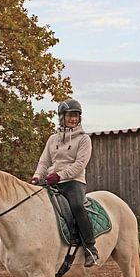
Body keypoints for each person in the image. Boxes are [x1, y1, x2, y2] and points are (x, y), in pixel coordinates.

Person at [30, 98, 99, 267]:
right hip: (52, 181)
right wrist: (37, 176)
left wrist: (60, 176)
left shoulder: (84, 140)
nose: (73, 119)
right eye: (70, 115)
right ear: (62, 117)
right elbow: (44, 161)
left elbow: (79, 165)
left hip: (73, 181)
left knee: (77, 207)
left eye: (76, 116)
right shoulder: (52, 139)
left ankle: (90, 248)